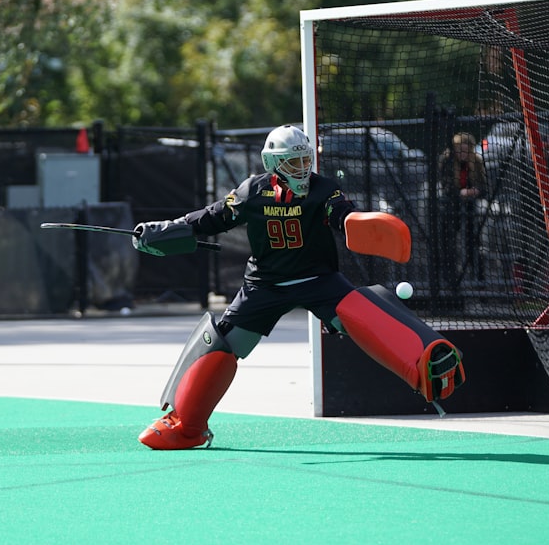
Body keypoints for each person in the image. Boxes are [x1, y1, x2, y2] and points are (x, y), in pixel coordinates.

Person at [130, 125, 464, 450]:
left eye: (306, 160)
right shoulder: (251, 191)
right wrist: (168, 229)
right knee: (224, 344)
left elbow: (340, 213)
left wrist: (355, 222)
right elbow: (213, 217)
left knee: (360, 310)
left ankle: (424, 358)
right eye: (293, 162)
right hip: (264, 284)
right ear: (273, 164)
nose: (302, 168)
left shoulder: (324, 189)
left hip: (318, 280)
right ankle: (187, 428)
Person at [437, 132, 488, 285]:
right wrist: (459, 192)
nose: (462, 154)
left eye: (466, 151)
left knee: (473, 243)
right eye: (460, 151)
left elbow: (484, 186)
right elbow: (445, 185)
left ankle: (479, 281)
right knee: (449, 244)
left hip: (469, 206)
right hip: (451, 207)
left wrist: (475, 191)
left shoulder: (476, 162)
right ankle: (449, 280)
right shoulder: (447, 161)